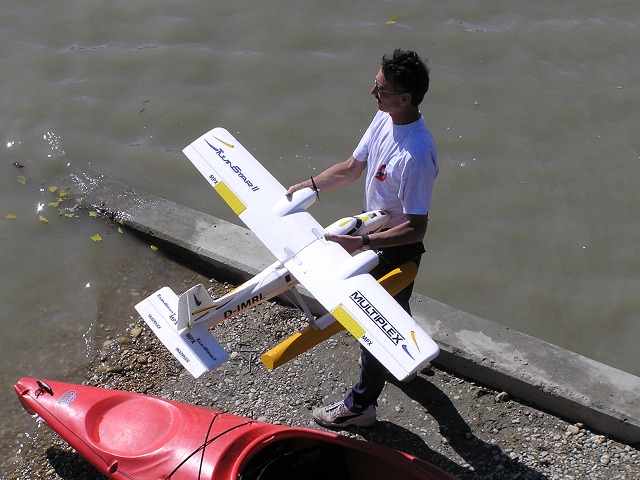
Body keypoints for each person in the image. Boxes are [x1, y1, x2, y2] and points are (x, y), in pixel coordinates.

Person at [286, 49, 438, 428]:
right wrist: (311, 185)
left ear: (405, 98)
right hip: (372, 237)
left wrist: (363, 245)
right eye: (376, 82)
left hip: (393, 248)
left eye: (381, 89)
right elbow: (354, 168)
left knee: (372, 327)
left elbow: (417, 227)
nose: (373, 91)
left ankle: (360, 407)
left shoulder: (416, 154)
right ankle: (407, 361)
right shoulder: (384, 118)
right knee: (396, 310)